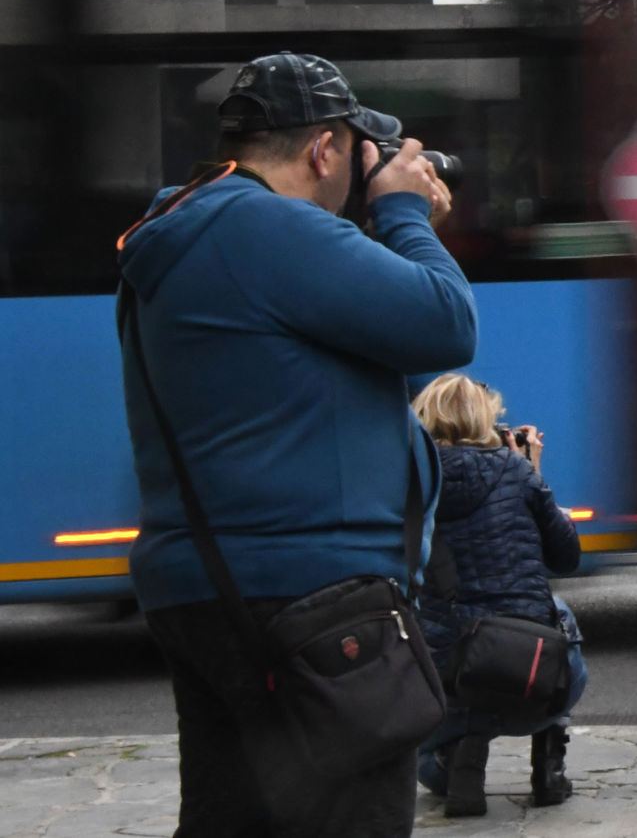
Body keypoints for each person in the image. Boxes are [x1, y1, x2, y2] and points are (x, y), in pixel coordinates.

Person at [116, 51, 477, 838]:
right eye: (357, 151)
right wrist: (406, 218)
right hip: (317, 592)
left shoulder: (198, 224)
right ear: (324, 150)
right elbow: (449, 325)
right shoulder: (270, 227)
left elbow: (387, 358)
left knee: (235, 819)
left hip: (213, 585)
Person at [411, 373, 586, 819]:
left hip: (451, 680)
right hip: (531, 679)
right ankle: (548, 754)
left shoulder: (408, 483)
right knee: (559, 615)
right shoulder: (517, 470)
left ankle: (462, 751)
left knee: (427, 770)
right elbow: (566, 559)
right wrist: (532, 472)